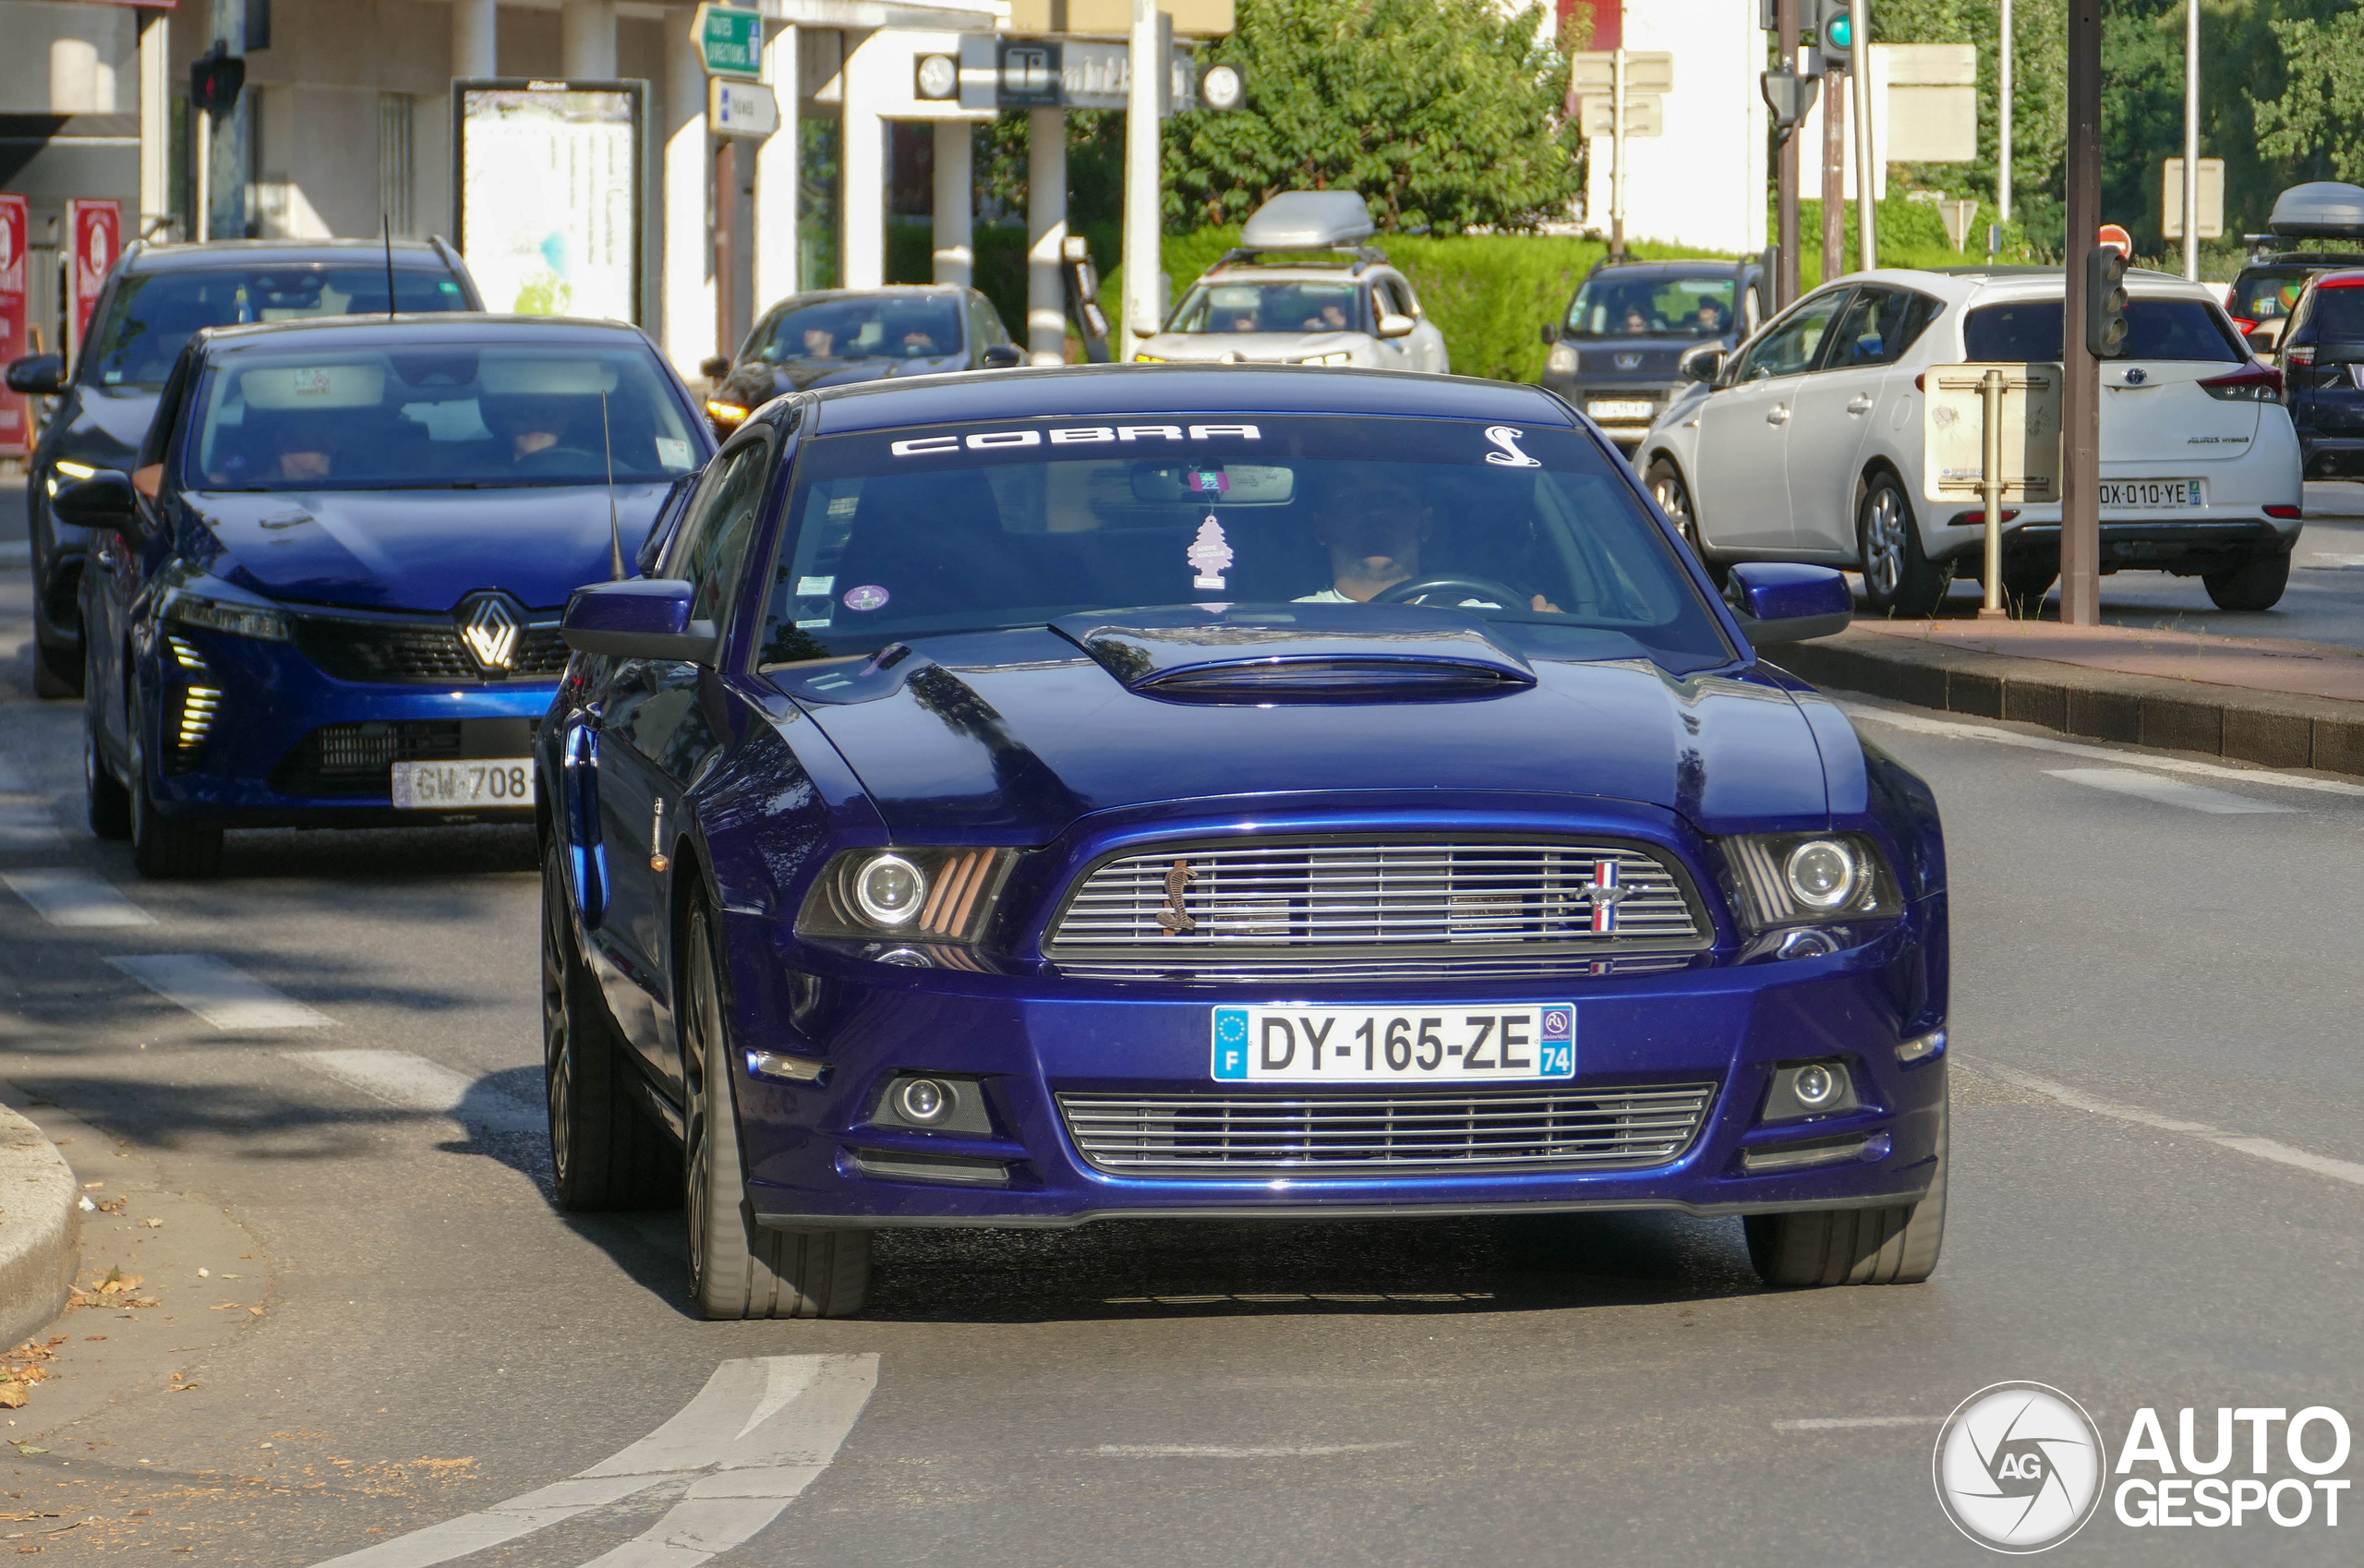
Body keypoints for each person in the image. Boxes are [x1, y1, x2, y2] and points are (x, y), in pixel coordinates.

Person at [1294, 472, 1559, 611]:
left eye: (1393, 499)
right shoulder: (1287, 629)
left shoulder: (1491, 620)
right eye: (1353, 500)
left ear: (1426, 524)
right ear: (1321, 528)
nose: (1375, 512)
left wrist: (1549, 635)